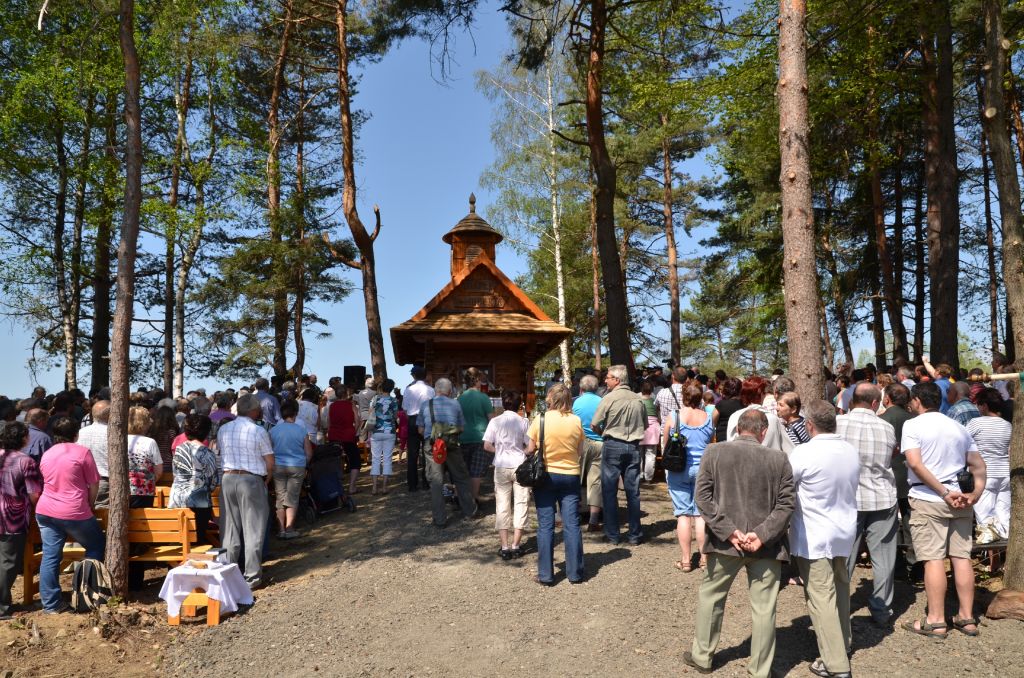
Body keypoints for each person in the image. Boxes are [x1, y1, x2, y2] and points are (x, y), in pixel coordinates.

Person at [684, 410, 795, 678]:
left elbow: (702, 497)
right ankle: (760, 670)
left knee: (711, 599)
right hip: (766, 546)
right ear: (763, 432)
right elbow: (786, 505)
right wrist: (761, 534)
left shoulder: (714, 452)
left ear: (737, 428)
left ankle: (702, 657)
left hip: (725, 545)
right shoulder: (779, 459)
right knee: (764, 609)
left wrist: (729, 531)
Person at [900, 382, 986, 639]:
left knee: (933, 558)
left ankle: (936, 620)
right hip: (961, 500)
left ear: (917, 401)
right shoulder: (958, 427)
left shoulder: (912, 425)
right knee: (961, 557)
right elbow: (978, 465)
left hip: (929, 498)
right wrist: (975, 494)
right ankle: (966, 617)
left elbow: (915, 463)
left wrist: (943, 492)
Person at [790, 401, 859, 678]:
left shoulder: (804, 452)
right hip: (844, 530)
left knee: (821, 598)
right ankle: (843, 642)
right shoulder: (850, 450)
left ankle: (835, 663)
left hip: (815, 533)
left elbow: (786, 486)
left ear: (809, 425)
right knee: (840, 590)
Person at [836, 383, 898, 627]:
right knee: (883, 557)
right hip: (882, 497)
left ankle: (838, 605)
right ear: (875, 403)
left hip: (848, 498)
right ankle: (881, 609)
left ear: (853, 400)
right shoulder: (887, 427)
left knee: (843, 555)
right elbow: (892, 455)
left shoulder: (838, 423)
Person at [34, 416, 104, 613]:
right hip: (74, 510)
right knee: (97, 545)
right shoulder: (83, 452)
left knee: (50, 556)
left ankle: (50, 604)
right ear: (76, 433)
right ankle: (87, 595)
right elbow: (94, 484)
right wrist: (90, 505)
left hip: (45, 510)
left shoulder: (47, 454)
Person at [527, 384, 585, 585]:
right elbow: (579, 451)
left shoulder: (540, 419)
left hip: (546, 475)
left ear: (550, 398)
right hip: (570, 475)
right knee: (572, 524)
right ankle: (575, 573)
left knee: (545, 525)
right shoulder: (576, 421)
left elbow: (530, 448)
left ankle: (545, 574)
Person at [217, 394, 274, 588]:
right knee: (253, 530)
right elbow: (269, 461)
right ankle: (252, 576)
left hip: (228, 478)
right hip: (250, 479)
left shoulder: (223, 429)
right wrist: (267, 478)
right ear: (254, 411)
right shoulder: (258, 430)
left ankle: (227, 574)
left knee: (229, 531)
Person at [591, 365, 647, 545]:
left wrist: (603, 434)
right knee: (633, 492)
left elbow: (594, 424)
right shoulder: (638, 399)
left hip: (613, 445)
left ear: (616, 380)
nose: (605, 380)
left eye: (608, 377)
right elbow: (645, 424)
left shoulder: (609, 398)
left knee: (609, 491)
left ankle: (612, 534)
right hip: (633, 447)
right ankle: (635, 534)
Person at [663, 384, 714, 572]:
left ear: (683, 396)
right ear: (700, 398)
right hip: (703, 470)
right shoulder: (708, 417)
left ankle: (685, 561)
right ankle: (704, 559)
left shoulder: (675, 416)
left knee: (683, 514)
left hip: (679, 469)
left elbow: (666, 443)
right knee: (700, 515)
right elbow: (710, 441)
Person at [418, 378, 477, 527]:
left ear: (435, 389)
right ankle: (469, 511)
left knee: (436, 482)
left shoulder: (425, 404)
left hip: (432, 446)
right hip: (451, 445)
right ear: (450, 391)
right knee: (461, 478)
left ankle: (440, 520)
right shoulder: (455, 404)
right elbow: (461, 428)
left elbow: (420, 429)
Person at [0, 422, 43, 619]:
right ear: (24, 439)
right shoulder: (26, 461)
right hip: (13, 517)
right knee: (8, 562)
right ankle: (2, 607)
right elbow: (34, 493)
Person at [483, 391, 530, 560]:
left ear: (503, 404)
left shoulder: (495, 421)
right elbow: (530, 446)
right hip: (520, 465)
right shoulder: (524, 422)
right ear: (519, 405)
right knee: (521, 502)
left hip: (501, 465)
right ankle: (516, 545)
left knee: (502, 504)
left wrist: (500, 451)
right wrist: (522, 452)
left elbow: (487, 445)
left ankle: (504, 546)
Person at [879, 383, 918, 579]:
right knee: (912, 523)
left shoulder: (881, 420)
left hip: (887, 476)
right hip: (911, 475)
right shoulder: (914, 419)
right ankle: (914, 564)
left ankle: (895, 564)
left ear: (887, 399)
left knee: (888, 524)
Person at [168, 414, 221, 545]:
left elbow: (175, 474)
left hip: (177, 499)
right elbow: (213, 481)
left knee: (180, 539)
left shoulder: (179, 449)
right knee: (198, 540)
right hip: (199, 501)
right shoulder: (208, 453)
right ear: (206, 432)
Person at [967, 388, 1011, 542]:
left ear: (984, 405)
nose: (978, 408)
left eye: (979, 404)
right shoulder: (1007, 425)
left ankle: (989, 548)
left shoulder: (976, 423)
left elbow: (962, 442)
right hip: (1005, 474)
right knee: (1004, 515)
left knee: (984, 517)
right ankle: (1005, 551)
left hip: (984, 475)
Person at [270, 400, 313, 539]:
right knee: (292, 498)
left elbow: (269, 451)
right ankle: (289, 528)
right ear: (295, 413)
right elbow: (309, 453)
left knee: (280, 497)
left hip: (278, 466)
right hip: (297, 465)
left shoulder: (273, 431)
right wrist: (305, 464)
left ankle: (281, 530)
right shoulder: (301, 430)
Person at [725, 376, 794, 454]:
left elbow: (730, 445)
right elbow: (789, 449)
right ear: (761, 394)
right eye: (764, 392)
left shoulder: (734, 417)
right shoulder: (773, 419)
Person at [571, 375, 604, 531]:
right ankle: (593, 520)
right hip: (600, 443)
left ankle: (574, 515)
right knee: (595, 482)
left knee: (575, 479)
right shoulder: (602, 401)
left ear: (581, 387)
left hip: (581, 443)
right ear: (596, 388)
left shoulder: (576, 402)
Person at [458, 368, 495, 502]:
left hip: (463, 437)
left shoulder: (460, 398)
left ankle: (462, 497)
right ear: (477, 380)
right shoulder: (483, 397)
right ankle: (473, 499)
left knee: (465, 470)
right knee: (476, 471)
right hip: (480, 437)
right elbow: (492, 420)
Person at [326, 385, 362, 496]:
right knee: (355, 460)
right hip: (348, 435)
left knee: (334, 461)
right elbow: (357, 420)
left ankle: (337, 487)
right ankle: (352, 487)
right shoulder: (351, 405)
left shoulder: (332, 406)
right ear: (346, 394)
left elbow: (328, 422)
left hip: (334, 436)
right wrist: (353, 431)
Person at [403, 366, 434, 492]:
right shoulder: (430, 390)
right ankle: (426, 482)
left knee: (412, 454)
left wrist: (411, 419)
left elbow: (405, 409)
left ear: (413, 376)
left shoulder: (408, 390)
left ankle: (412, 484)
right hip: (427, 420)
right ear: (425, 376)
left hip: (412, 419)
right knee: (427, 452)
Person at [75, 401, 110, 507]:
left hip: (83, 481)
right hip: (104, 481)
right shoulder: (114, 433)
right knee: (103, 514)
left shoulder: (80, 433)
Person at [368, 379, 399, 495]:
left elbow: (370, 412)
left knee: (376, 459)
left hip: (376, 431)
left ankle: (374, 487)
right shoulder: (393, 400)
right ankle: (384, 487)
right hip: (389, 431)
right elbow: (395, 416)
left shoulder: (375, 398)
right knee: (387, 458)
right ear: (391, 388)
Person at [638, 380, 661, 483]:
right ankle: (648, 477)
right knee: (650, 454)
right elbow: (659, 417)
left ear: (641, 390)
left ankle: (639, 475)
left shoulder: (637, 401)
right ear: (651, 390)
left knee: (638, 454)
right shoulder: (655, 402)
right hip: (653, 429)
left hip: (640, 428)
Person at [148, 404, 179, 475]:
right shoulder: (171, 432)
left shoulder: (152, 431)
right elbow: (173, 449)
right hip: (167, 463)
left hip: (154, 463)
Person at [712, 378, 743, 443]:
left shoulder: (721, 404)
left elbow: (713, 422)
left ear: (726, 389)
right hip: (738, 440)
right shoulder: (744, 405)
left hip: (722, 440)